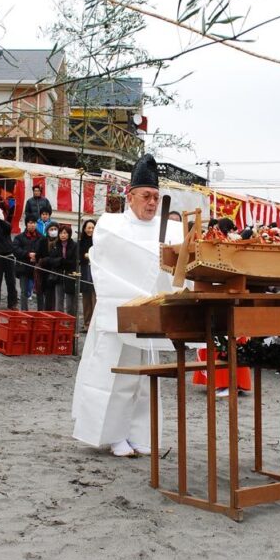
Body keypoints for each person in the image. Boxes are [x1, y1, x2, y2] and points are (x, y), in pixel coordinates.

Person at [71, 153, 184, 457]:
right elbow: (109, 263)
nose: (151, 203)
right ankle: (114, 436)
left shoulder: (171, 229)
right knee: (117, 378)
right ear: (131, 196)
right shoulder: (111, 225)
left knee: (147, 379)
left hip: (152, 312)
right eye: (146, 196)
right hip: (120, 310)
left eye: (156, 197)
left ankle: (143, 436)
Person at [12, 216, 41, 311]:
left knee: (40, 291)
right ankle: (24, 311)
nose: (32, 225)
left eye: (34, 223)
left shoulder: (41, 237)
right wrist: (28, 254)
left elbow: (44, 250)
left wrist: (36, 256)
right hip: (23, 267)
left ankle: (40, 311)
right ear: (26, 224)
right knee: (24, 291)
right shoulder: (19, 237)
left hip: (37, 268)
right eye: (30, 223)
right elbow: (16, 250)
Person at [35, 220, 62, 310]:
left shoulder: (60, 242)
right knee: (43, 293)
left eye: (55, 229)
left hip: (55, 272)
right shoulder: (42, 241)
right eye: (51, 229)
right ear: (47, 231)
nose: (53, 231)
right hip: (43, 271)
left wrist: (48, 260)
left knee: (54, 296)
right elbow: (38, 255)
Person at [79, 219, 96, 330]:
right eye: (88, 228)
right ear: (84, 229)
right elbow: (79, 256)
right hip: (85, 271)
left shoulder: (98, 241)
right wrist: (85, 256)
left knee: (95, 298)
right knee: (86, 299)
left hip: (95, 272)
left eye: (93, 228)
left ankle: (95, 323)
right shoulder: (81, 242)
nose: (90, 230)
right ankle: (87, 323)